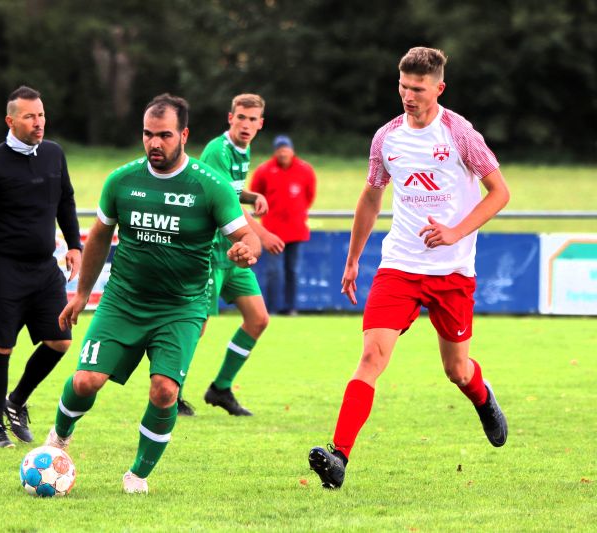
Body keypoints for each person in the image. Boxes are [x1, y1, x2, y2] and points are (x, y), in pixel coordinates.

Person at [308, 47, 510, 489]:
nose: (408, 95)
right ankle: (338, 456)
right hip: (399, 266)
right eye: (403, 86)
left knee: (457, 370)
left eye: (418, 89)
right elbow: (371, 197)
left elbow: (499, 192)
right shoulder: (387, 137)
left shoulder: (460, 134)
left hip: (453, 272)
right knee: (370, 357)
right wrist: (353, 259)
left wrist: (455, 232)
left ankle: (482, 398)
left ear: (439, 88)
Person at [44, 94, 261, 493]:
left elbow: (247, 235)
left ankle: (137, 474)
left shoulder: (210, 186)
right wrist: (81, 293)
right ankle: (58, 438)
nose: (154, 143)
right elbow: (99, 237)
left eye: (164, 135)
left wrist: (247, 249)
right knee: (86, 381)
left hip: (182, 307)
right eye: (148, 134)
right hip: (123, 301)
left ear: (184, 135)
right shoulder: (122, 181)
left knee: (165, 391)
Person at [0, 85, 82, 448]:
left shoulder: (54, 154)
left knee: (60, 340)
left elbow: (66, 202)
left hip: (44, 269)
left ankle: (16, 400)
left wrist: (75, 245)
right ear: (10, 121)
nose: (38, 122)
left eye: (41, 115)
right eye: (29, 116)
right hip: (3, 270)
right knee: (1, 348)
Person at [177, 94, 284, 417]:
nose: (246, 125)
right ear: (230, 118)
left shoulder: (242, 149)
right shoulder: (217, 150)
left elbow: (232, 192)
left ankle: (221, 389)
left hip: (234, 254)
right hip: (209, 252)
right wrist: (262, 234)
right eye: (241, 118)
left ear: (260, 123)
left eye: (252, 120)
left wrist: (252, 195)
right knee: (196, 326)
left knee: (258, 319)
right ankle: (171, 394)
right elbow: (226, 204)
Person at [250, 134, 317, 315]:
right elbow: (255, 195)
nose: (283, 153)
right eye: (279, 150)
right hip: (273, 231)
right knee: (274, 271)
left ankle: (290, 308)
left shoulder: (305, 170)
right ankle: (271, 308)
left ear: (292, 150)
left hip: (296, 229)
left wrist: (297, 212)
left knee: (293, 270)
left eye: (285, 149)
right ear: (275, 152)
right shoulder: (264, 170)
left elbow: (309, 196)